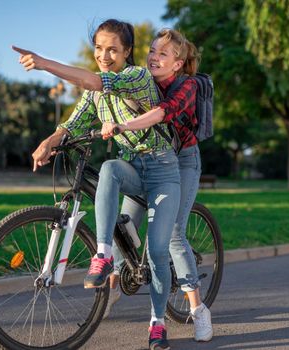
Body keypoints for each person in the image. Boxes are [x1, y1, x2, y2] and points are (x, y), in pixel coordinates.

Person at [14, 19, 178, 350]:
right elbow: (74, 122)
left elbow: (94, 80)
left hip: (162, 171)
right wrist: (51, 139)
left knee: (158, 251)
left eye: (112, 49)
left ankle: (158, 323)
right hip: (132, 167)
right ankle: (103, 255)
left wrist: (45, 63)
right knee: (109, 169)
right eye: (99, 48)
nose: (104, 55)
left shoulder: (137, 77)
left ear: (127, 52)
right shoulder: (95, 93)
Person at [102, 28, 213, 342]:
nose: (154, 56)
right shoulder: (142, 80)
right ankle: (109, 291)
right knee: (124, 224)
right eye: (152, 50)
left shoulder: (187, 86)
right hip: (148, 159)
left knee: (175, 234)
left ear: (177, 63)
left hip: (183, 162)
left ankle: (198, 310)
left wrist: (123, 125)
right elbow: (106, 85)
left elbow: (163, 113)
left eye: (163, 53)